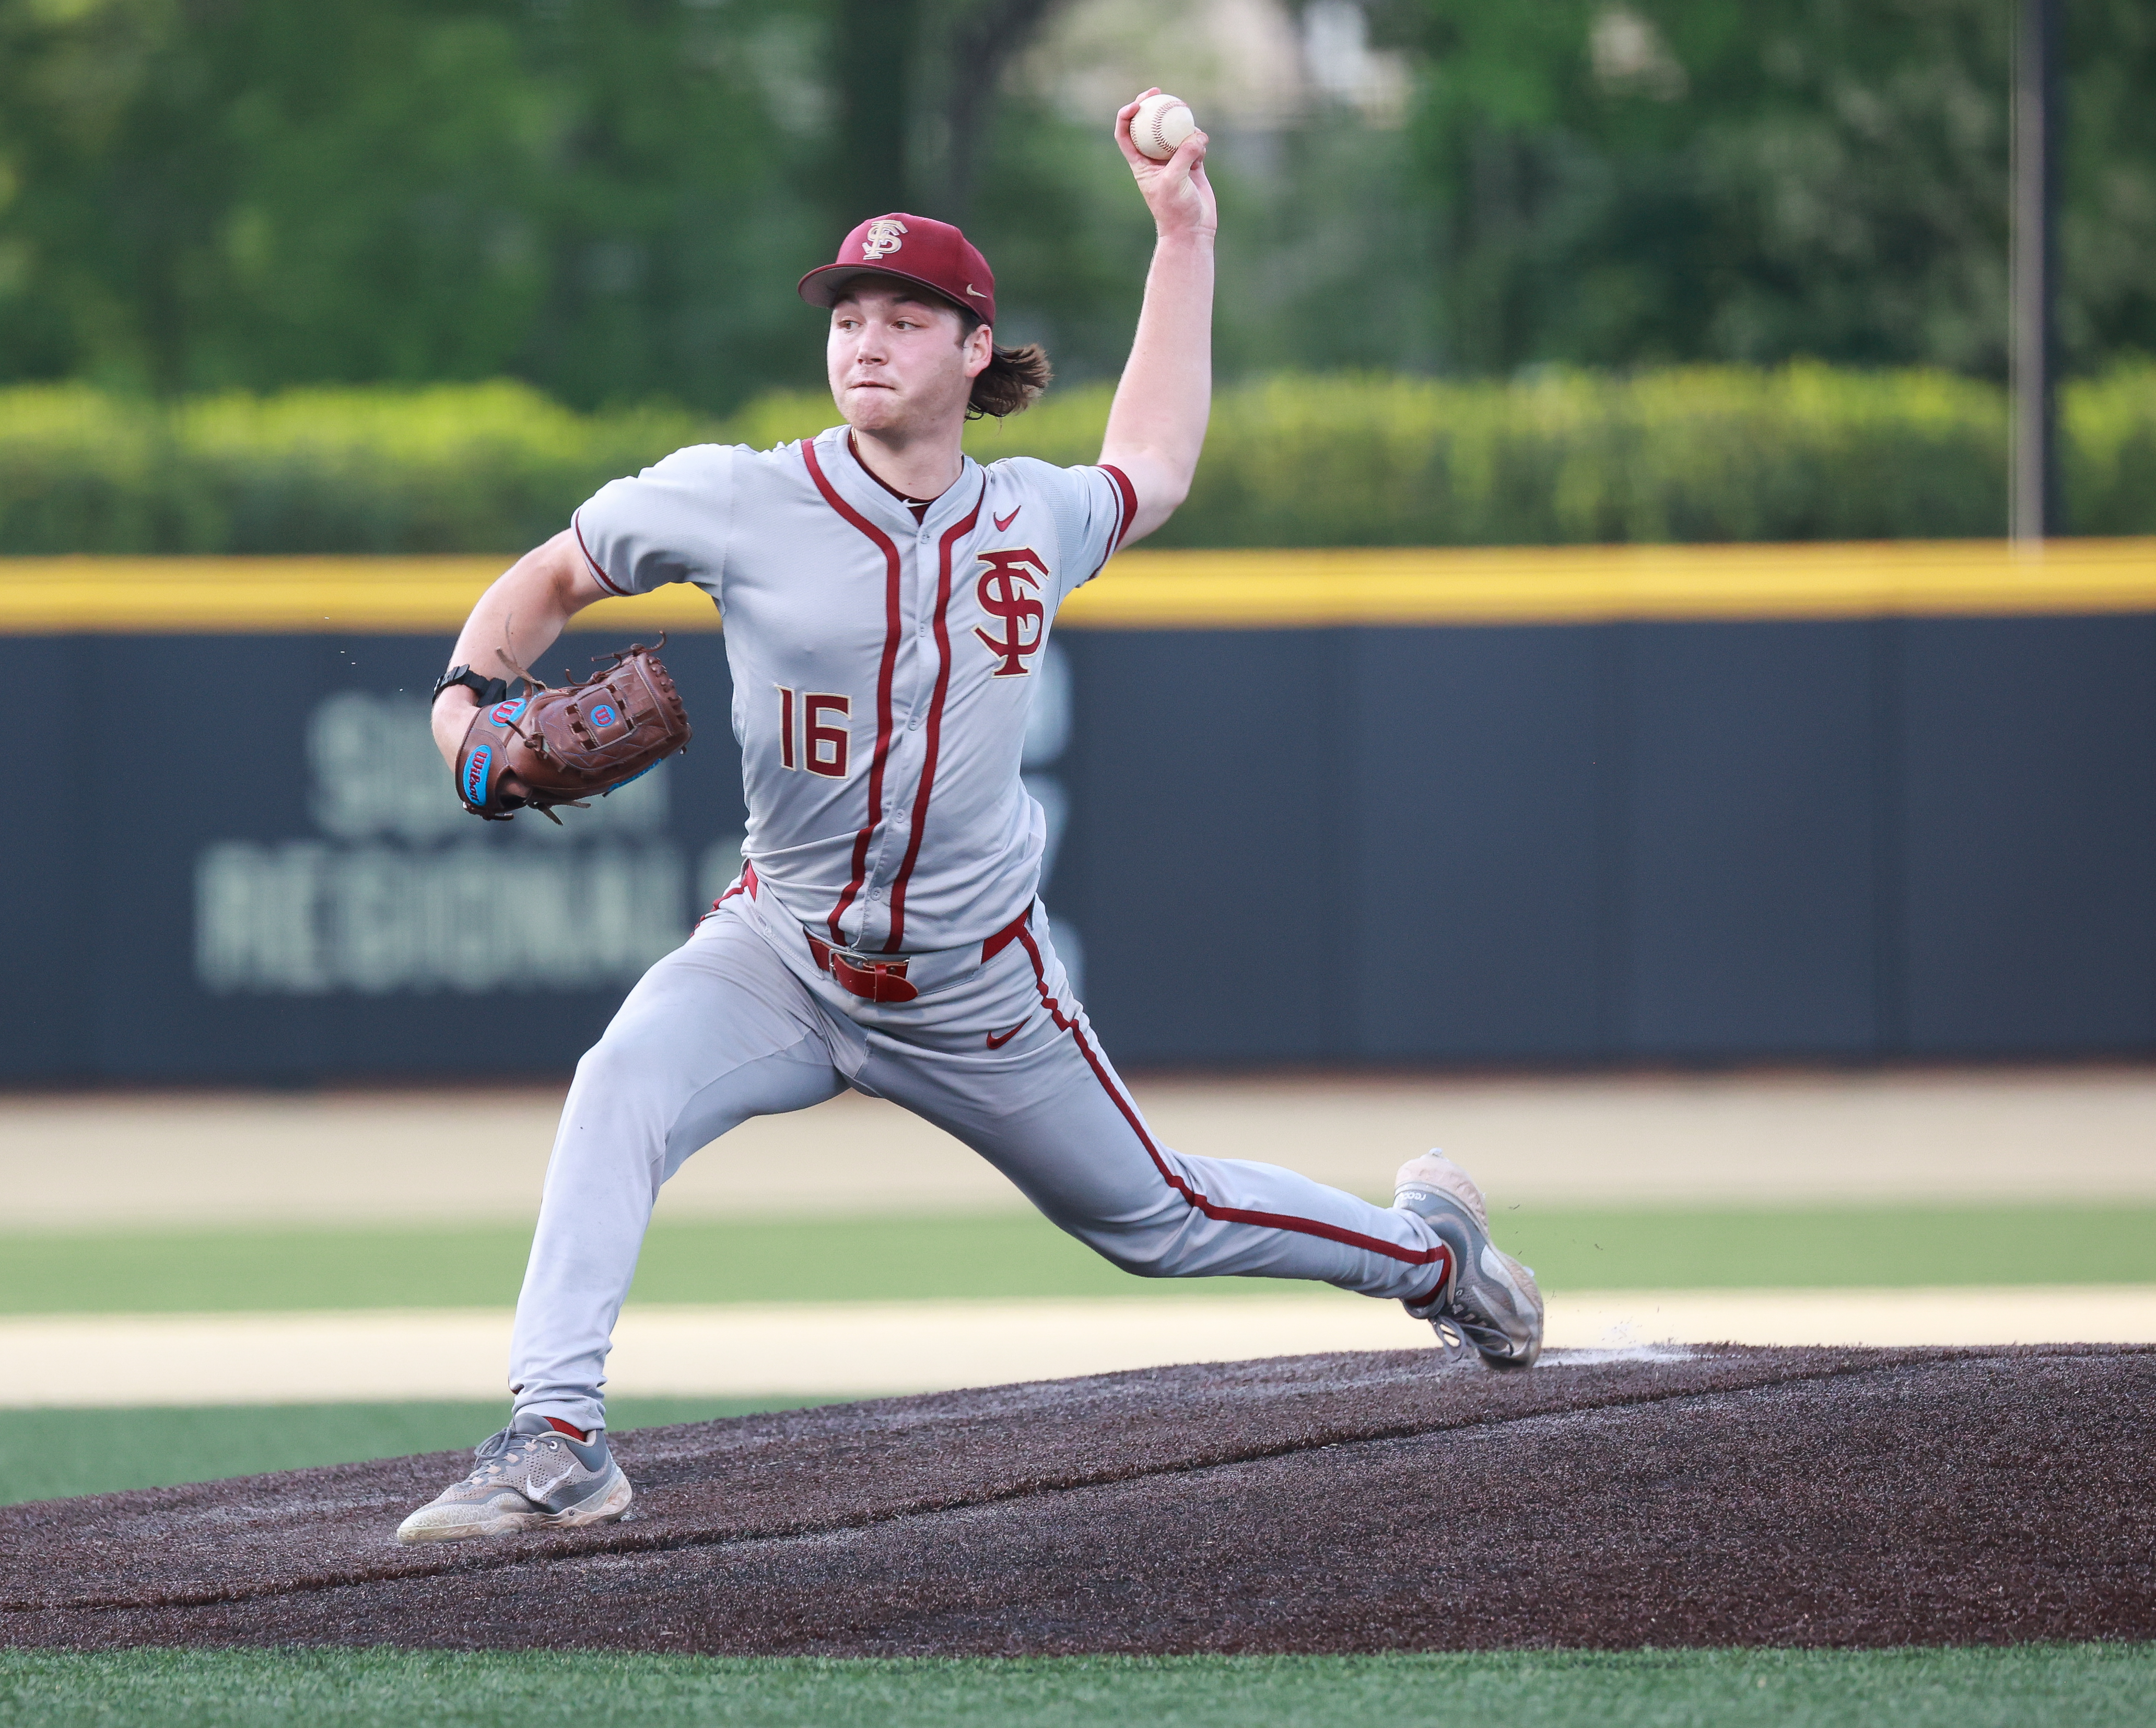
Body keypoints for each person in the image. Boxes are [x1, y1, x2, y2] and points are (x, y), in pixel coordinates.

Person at [397, 92, 1542, 1543]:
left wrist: (1182, 230)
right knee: (617, 1083)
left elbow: (1160, 462)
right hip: (781, 950)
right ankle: (556, 1435)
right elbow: (548, 579)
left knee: (1159, 1219)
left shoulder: (1033, 520)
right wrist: (460, 712)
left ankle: (1433, 1259)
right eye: (846, 312)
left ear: (971, 351)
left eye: (903, 313)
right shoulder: (735, 499)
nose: (863, 336)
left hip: (973, 983)